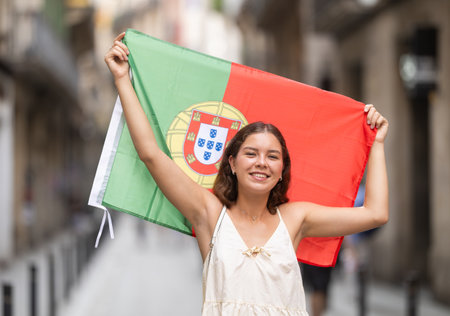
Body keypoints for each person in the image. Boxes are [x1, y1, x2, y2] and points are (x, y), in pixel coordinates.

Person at [104, 32, 389, 316]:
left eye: (272, 156)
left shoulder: (296, 218)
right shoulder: (209, 214)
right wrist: (122, 80)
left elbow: (375, 213)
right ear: (232, 163)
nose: (261, 162)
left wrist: (376, 144)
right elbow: (151, 154)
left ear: (281, 171)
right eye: (251, 153)